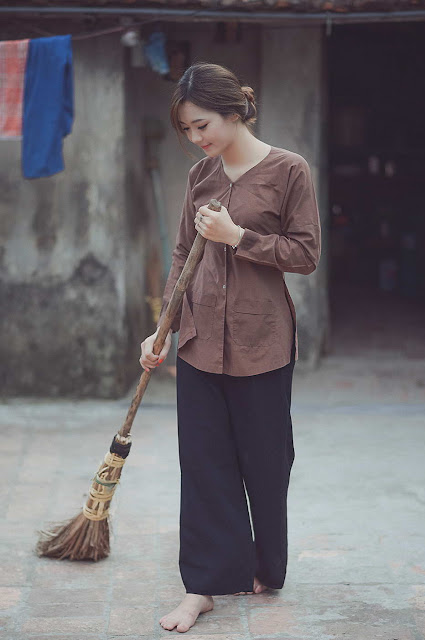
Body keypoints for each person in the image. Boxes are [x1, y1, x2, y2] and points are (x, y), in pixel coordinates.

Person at [139, 62, 321, 633]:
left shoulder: (289, 171)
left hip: (262, 340)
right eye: (189, 131)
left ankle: (266, 565)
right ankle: (203, 586)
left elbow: (305, 254)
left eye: (203, 125)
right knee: (202, 464)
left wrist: (239, 238)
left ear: (233, 110)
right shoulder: (201, 177)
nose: (198, 139)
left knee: (267, 462)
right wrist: (162, 327)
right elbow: (180, 257)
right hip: (197, 341)